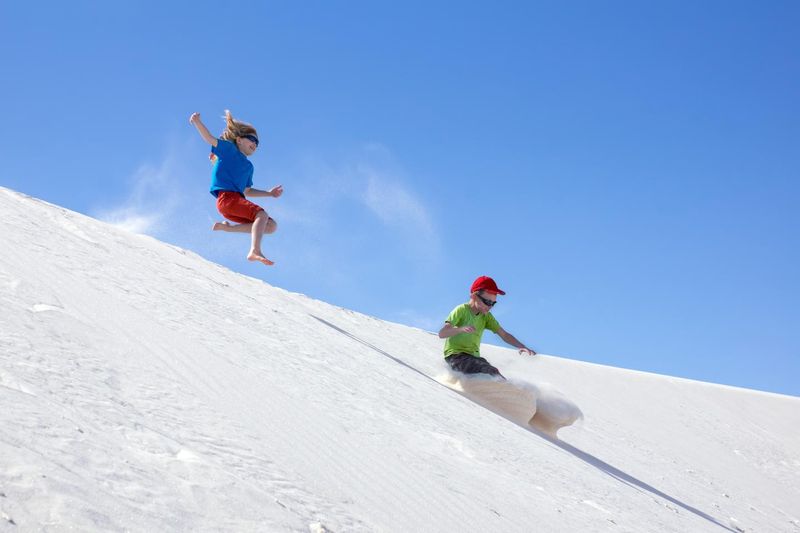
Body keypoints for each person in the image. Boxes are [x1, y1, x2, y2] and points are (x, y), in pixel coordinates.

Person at [189, 110, 283, 266]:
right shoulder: (228, 149)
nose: (255, 144)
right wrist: (197, 122)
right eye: (252, 140)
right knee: (261, 214)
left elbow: (247, 191)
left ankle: (228, 228)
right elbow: (209, 138)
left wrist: (269, 193)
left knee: (271, 226)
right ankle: (255, 250)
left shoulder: (249, 167)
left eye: (257, 144)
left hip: (235, 202)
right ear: (239, 140)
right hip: (227, 199)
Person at [439, 276, 536, 378]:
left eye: (493, 303)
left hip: (473, 357)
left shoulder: (486, 316)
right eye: (487, 302)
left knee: (495, 373)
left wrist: (521, 346)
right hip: (456, 356)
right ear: (474, 296)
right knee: (487, 371)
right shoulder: (461, 310)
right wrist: (460, 329)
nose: (490, 306)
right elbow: (442, 333)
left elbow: (504, 334)